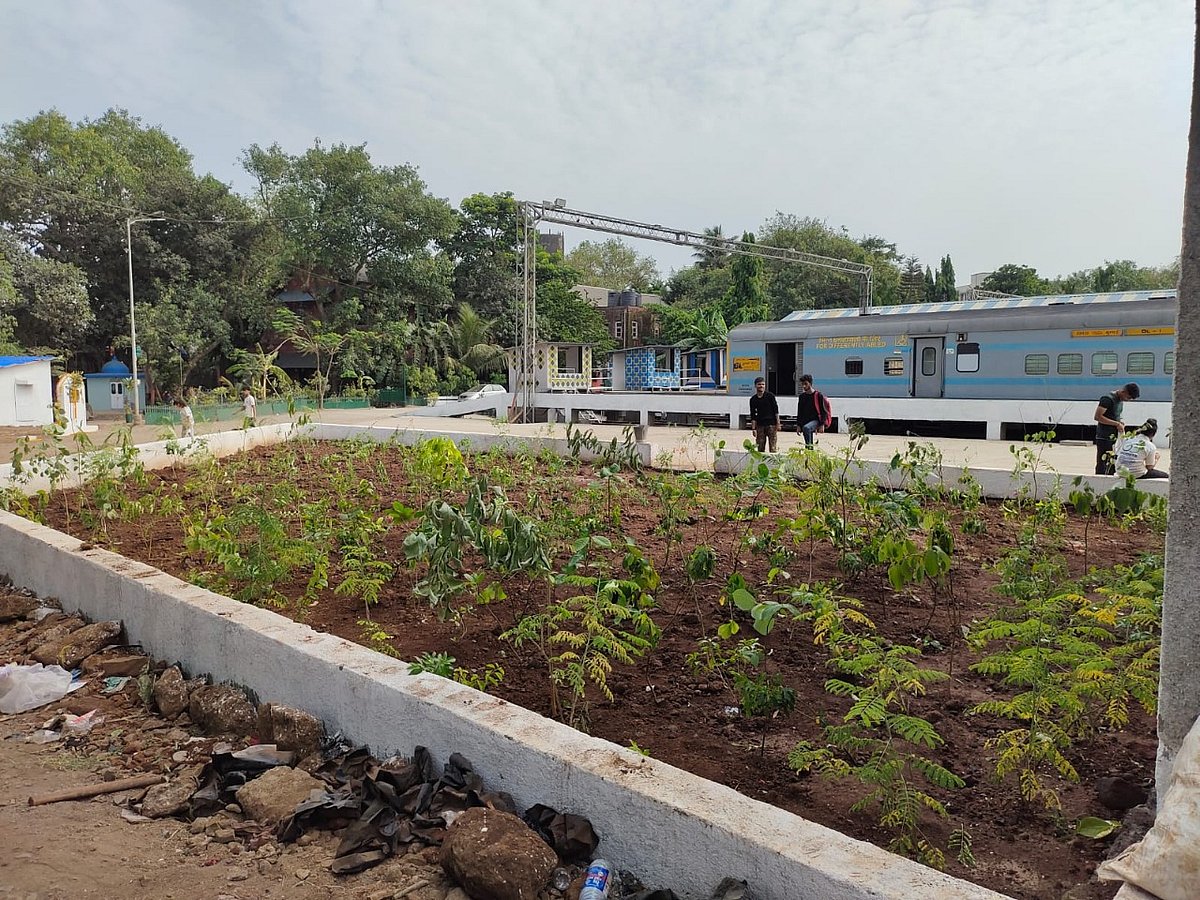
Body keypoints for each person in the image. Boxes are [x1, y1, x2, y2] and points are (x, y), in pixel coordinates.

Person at [1093, 382, 1139, 475]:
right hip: (1104, 436)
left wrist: (1120, 421)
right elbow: (1098, 417)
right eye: (1128, 398)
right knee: (1103, 462)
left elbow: (1116, 415)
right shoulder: (1107, 399)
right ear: (1124, 392)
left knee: (1112, 462)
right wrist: (1116, 423)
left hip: (1114, 436)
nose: (1128, 400)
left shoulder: (1120, 401)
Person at [795, 374, 833, 447]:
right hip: (806, 420)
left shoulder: (818, 395)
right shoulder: (802, 397)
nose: (804, 386)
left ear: (810, 383)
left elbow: (823, 410)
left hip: (816, 420)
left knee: (806, 428)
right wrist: (798, 425)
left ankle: (809, 449)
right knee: (807, 429)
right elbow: (800, 412)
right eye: (802, 384)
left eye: (806, 384)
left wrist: (822, 424)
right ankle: (810, 451)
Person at [749, 376, 780, 452]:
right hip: (760, 425)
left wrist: (778, 423)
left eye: (763, 384)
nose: (761, 386)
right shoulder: (753, 399)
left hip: (771, 425)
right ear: (755, 385)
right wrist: (753, 428)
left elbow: (776, 410)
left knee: (773, 448)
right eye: (759, 384)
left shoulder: (770, 396)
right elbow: (753, 414)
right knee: (760, 447)